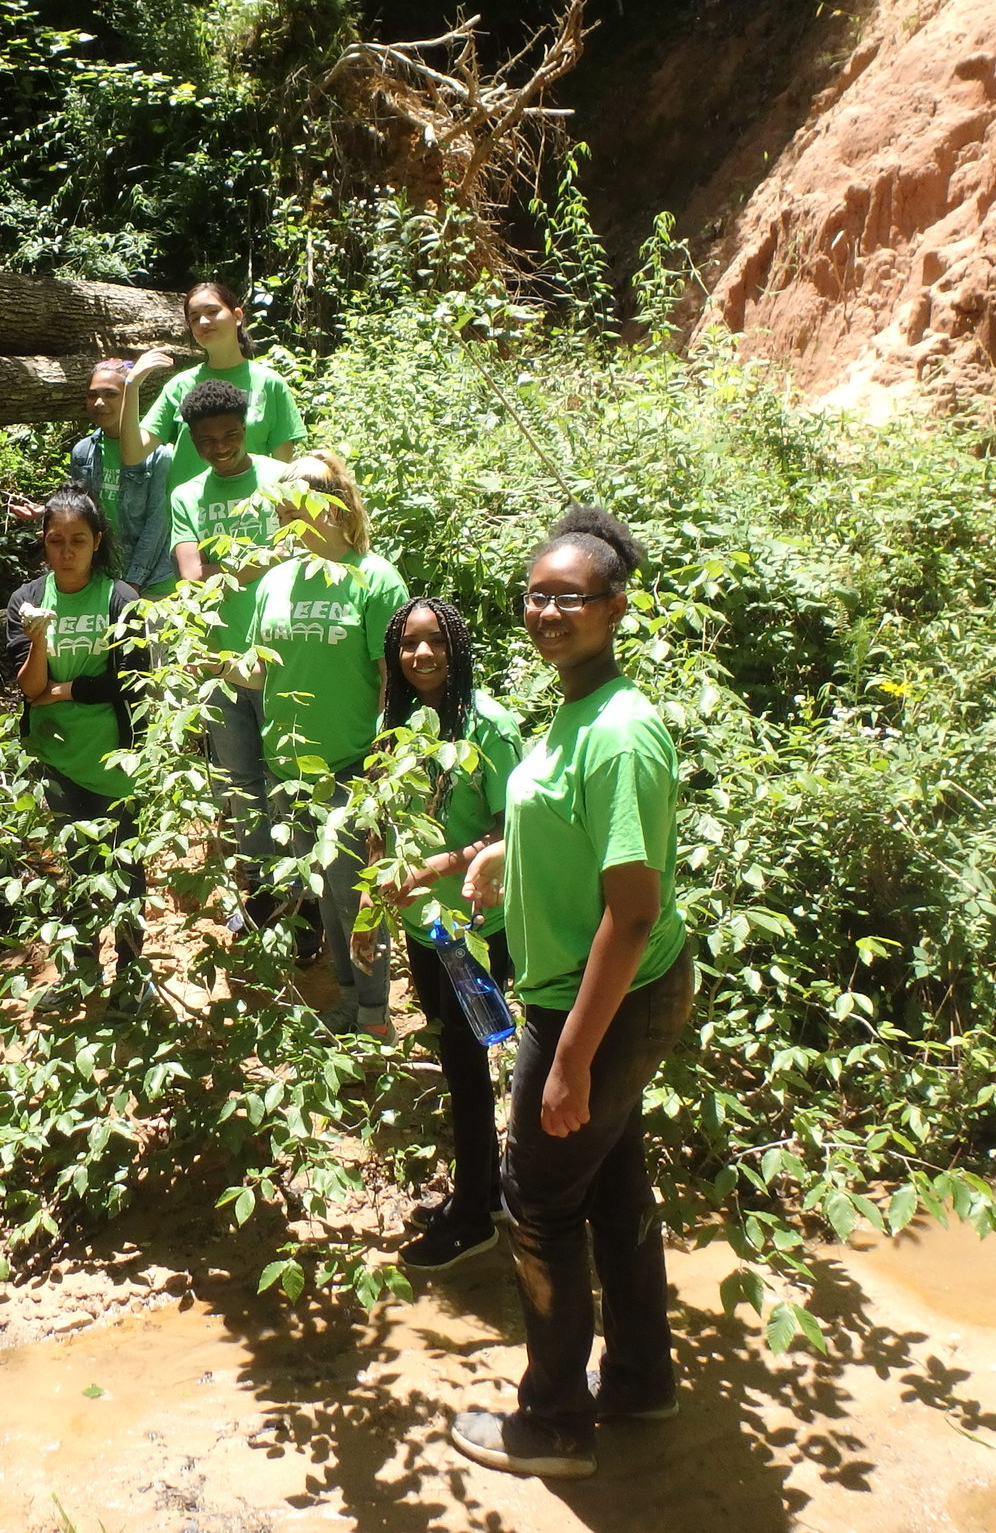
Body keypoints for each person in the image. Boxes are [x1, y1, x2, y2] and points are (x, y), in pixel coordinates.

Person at [448, 508, 695, 1481]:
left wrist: (573, 1062)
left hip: (604, 999)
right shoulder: (573, 706)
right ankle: (640, 1380)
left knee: (538, 1202)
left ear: (614, 607)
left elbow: (631, 914)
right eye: (536, 595)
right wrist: (507, 856)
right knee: (612, 1182)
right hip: (588, 991)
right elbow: (580, 835)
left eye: (570, 597)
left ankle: (553, 1424)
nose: (548, 611)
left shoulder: (621, 732)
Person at [356, 595, 525, 1269]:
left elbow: (515, 832)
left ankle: (477, 1210)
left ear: (456, 646)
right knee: (459, 1060)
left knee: (468, 1061)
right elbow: (376, 825)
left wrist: (439, 864)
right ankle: (481, 1194)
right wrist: (372, 910)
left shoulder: (489, 727)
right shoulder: (390, 723)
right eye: (408, 644)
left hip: (478, 929)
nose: (422, 655)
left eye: (435, 642)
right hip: (426, 932)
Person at [248, 450, 410, 1035]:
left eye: (306, 492)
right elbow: (257, 670)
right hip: (286, 770)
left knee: (357, 900)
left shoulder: (376, 578)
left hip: (350, 768)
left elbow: (396, 683)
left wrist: (381, 770)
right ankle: (347, 999)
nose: (293, 505)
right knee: (322, 896)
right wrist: (196, 662)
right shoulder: (275, 581)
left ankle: (373, 1014)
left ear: (337, 499)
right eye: (284, 496)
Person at [7, 487, 152, 995]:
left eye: (78, 541)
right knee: (78, 865)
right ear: (43, 544)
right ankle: (83, 971)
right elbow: (27, 688)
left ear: (97, 542)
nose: (66, 553)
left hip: (116, 756)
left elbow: (133, 679)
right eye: (55, 541)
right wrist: (39, 639)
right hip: (56, 757)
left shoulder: (121, 600)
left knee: (124, 865)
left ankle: (133, 975)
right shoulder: (26, 601)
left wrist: (67, 689)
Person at [169, 378, 291, 927]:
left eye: (230, 434)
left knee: (287, 774)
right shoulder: (186, 496)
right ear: (192, 440)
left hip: (284, 656)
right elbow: (193, 578)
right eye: (206, 440)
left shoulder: (281, 478)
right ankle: (262, 890)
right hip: (219, 665)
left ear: (246, 426)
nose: (220, 447)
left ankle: (303, 897)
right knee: (240, 783)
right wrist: (264, 556)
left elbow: (302, 552)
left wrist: (228, 565)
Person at [12, 351, 180, 592]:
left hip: (153, 582)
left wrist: (132, 584)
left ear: (129, 398)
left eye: (110, 394)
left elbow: (157, 526)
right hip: (104, 578)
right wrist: (47, 509)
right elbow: (84, 510)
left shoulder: (158, 455)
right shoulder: (83, 452)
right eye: (93, 395)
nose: (99, 403)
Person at [143, 278, 308, 494]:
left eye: (212, 312)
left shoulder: (270, 383)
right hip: (194, 517)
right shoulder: (179, 386)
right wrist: (132, 383)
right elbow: (135, 452)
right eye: (194, 318)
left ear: (237, 317)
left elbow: (284, 469)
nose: (203, 322)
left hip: (254, 513)